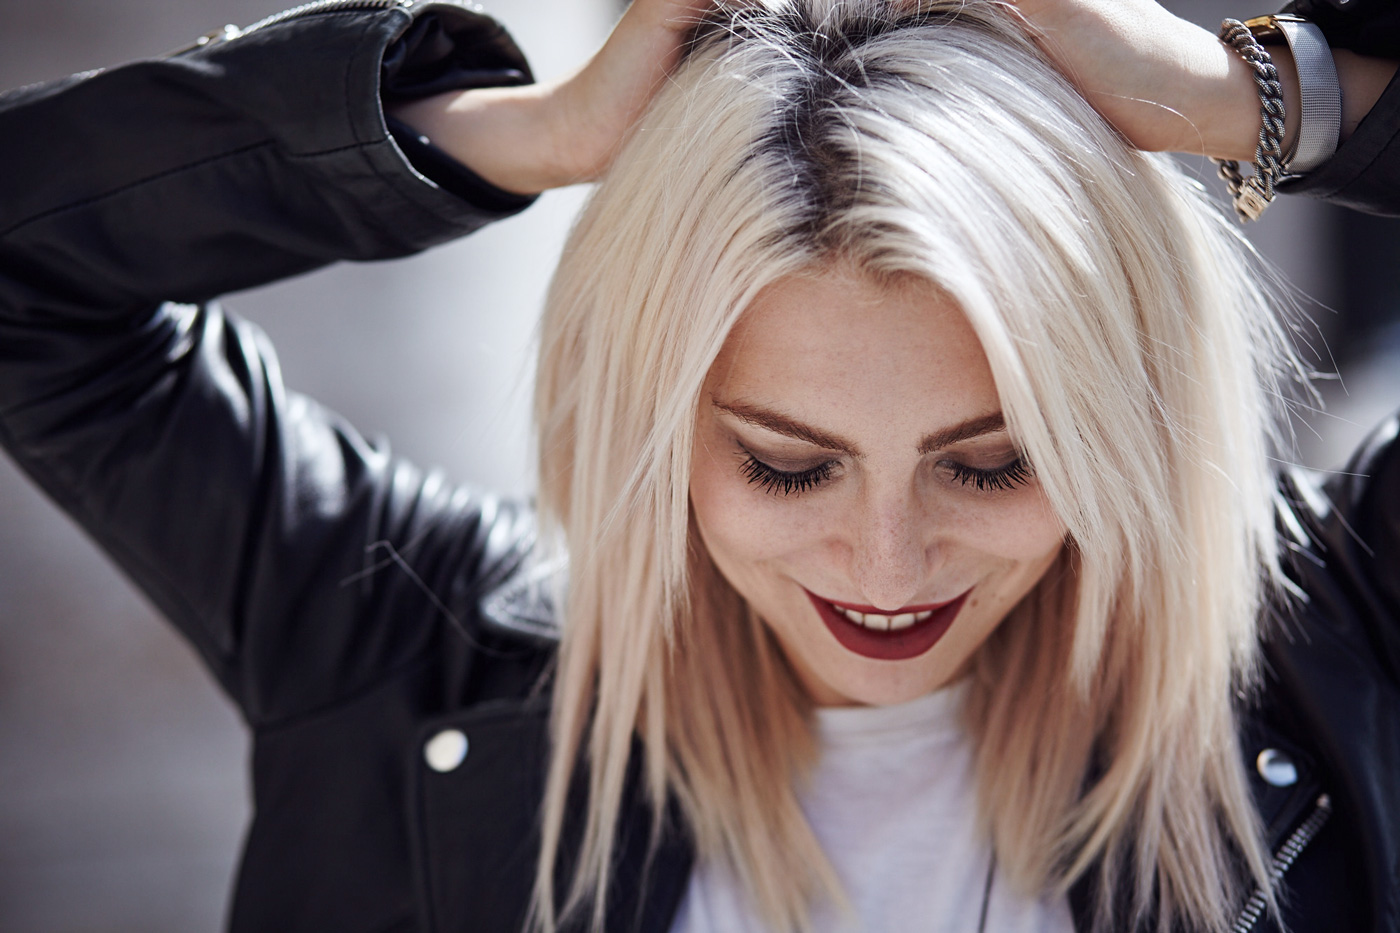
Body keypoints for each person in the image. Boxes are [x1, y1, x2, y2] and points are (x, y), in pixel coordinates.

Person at [0, 1, 1396, 932]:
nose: (888, 565)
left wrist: (1252, 93)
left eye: (995, 465)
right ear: (654, 417)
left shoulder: (1348, 639)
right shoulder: (396, 648)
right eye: (791, 468)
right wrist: (525, 135)